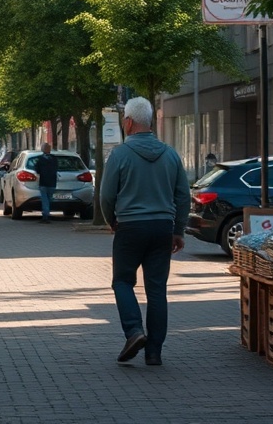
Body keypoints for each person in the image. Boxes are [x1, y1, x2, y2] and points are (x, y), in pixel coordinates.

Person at [100, 97, 190, 367]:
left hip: (130, 226)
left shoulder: (119, 155)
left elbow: (106, 195)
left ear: (128, 122)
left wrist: (111, 220)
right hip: (162, 228)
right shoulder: (170, 154)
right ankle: (154, 352)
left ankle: (134, 330)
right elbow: (183, 196)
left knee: (122, 281)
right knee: (157, 289)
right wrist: (178, 230)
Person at [35, 142, 59, 224]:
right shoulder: (54, 159)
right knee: (49, 199)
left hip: (43, 182)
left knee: (45, 200)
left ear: (43, 149)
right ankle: (47, 213)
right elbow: (56, 168)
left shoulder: (40, 159)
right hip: (52, 182)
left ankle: (45, 215)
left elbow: (37, 170)